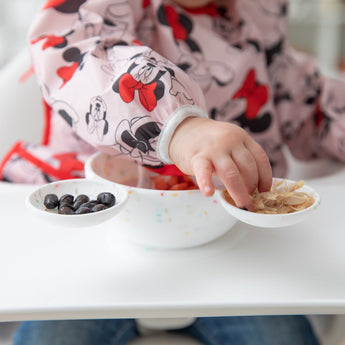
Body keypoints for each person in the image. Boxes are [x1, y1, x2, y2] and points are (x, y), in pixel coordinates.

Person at [2, 0, 345, 343]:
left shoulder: (257, 13)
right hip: (100, 242)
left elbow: (305, 101)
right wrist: (178, 127)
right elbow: (76, 52)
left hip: (232, 245)